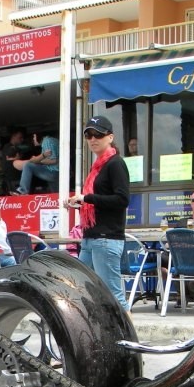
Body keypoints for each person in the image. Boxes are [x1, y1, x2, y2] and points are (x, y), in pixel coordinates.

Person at [67, 116, 130, 308]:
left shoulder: (115, 163)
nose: (93, 139)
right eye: (89, 135)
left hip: (106, 238)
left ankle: (127, 327)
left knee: (113, 295)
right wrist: (79, 203)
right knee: (82, 290)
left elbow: (122, 200)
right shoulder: (97, 167)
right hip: (91, 237)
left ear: (110, 137)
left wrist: (87, 198)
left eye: (98, 135)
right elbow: (99, 202)